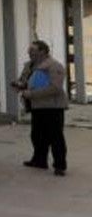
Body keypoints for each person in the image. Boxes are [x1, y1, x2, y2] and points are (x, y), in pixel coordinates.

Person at [11, 40, 68, 176]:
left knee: (55, 136)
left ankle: (59, 165)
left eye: (32, 50)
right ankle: (39, 160)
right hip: (36, 106)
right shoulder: (29, 66)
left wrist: (32, 94)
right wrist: (19, 85)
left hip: (52, 106)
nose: (29, 53)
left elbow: (55, 88)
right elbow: (25, 82)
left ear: (42, 51)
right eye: (29, 50)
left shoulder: (54, 66)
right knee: (37, 135)